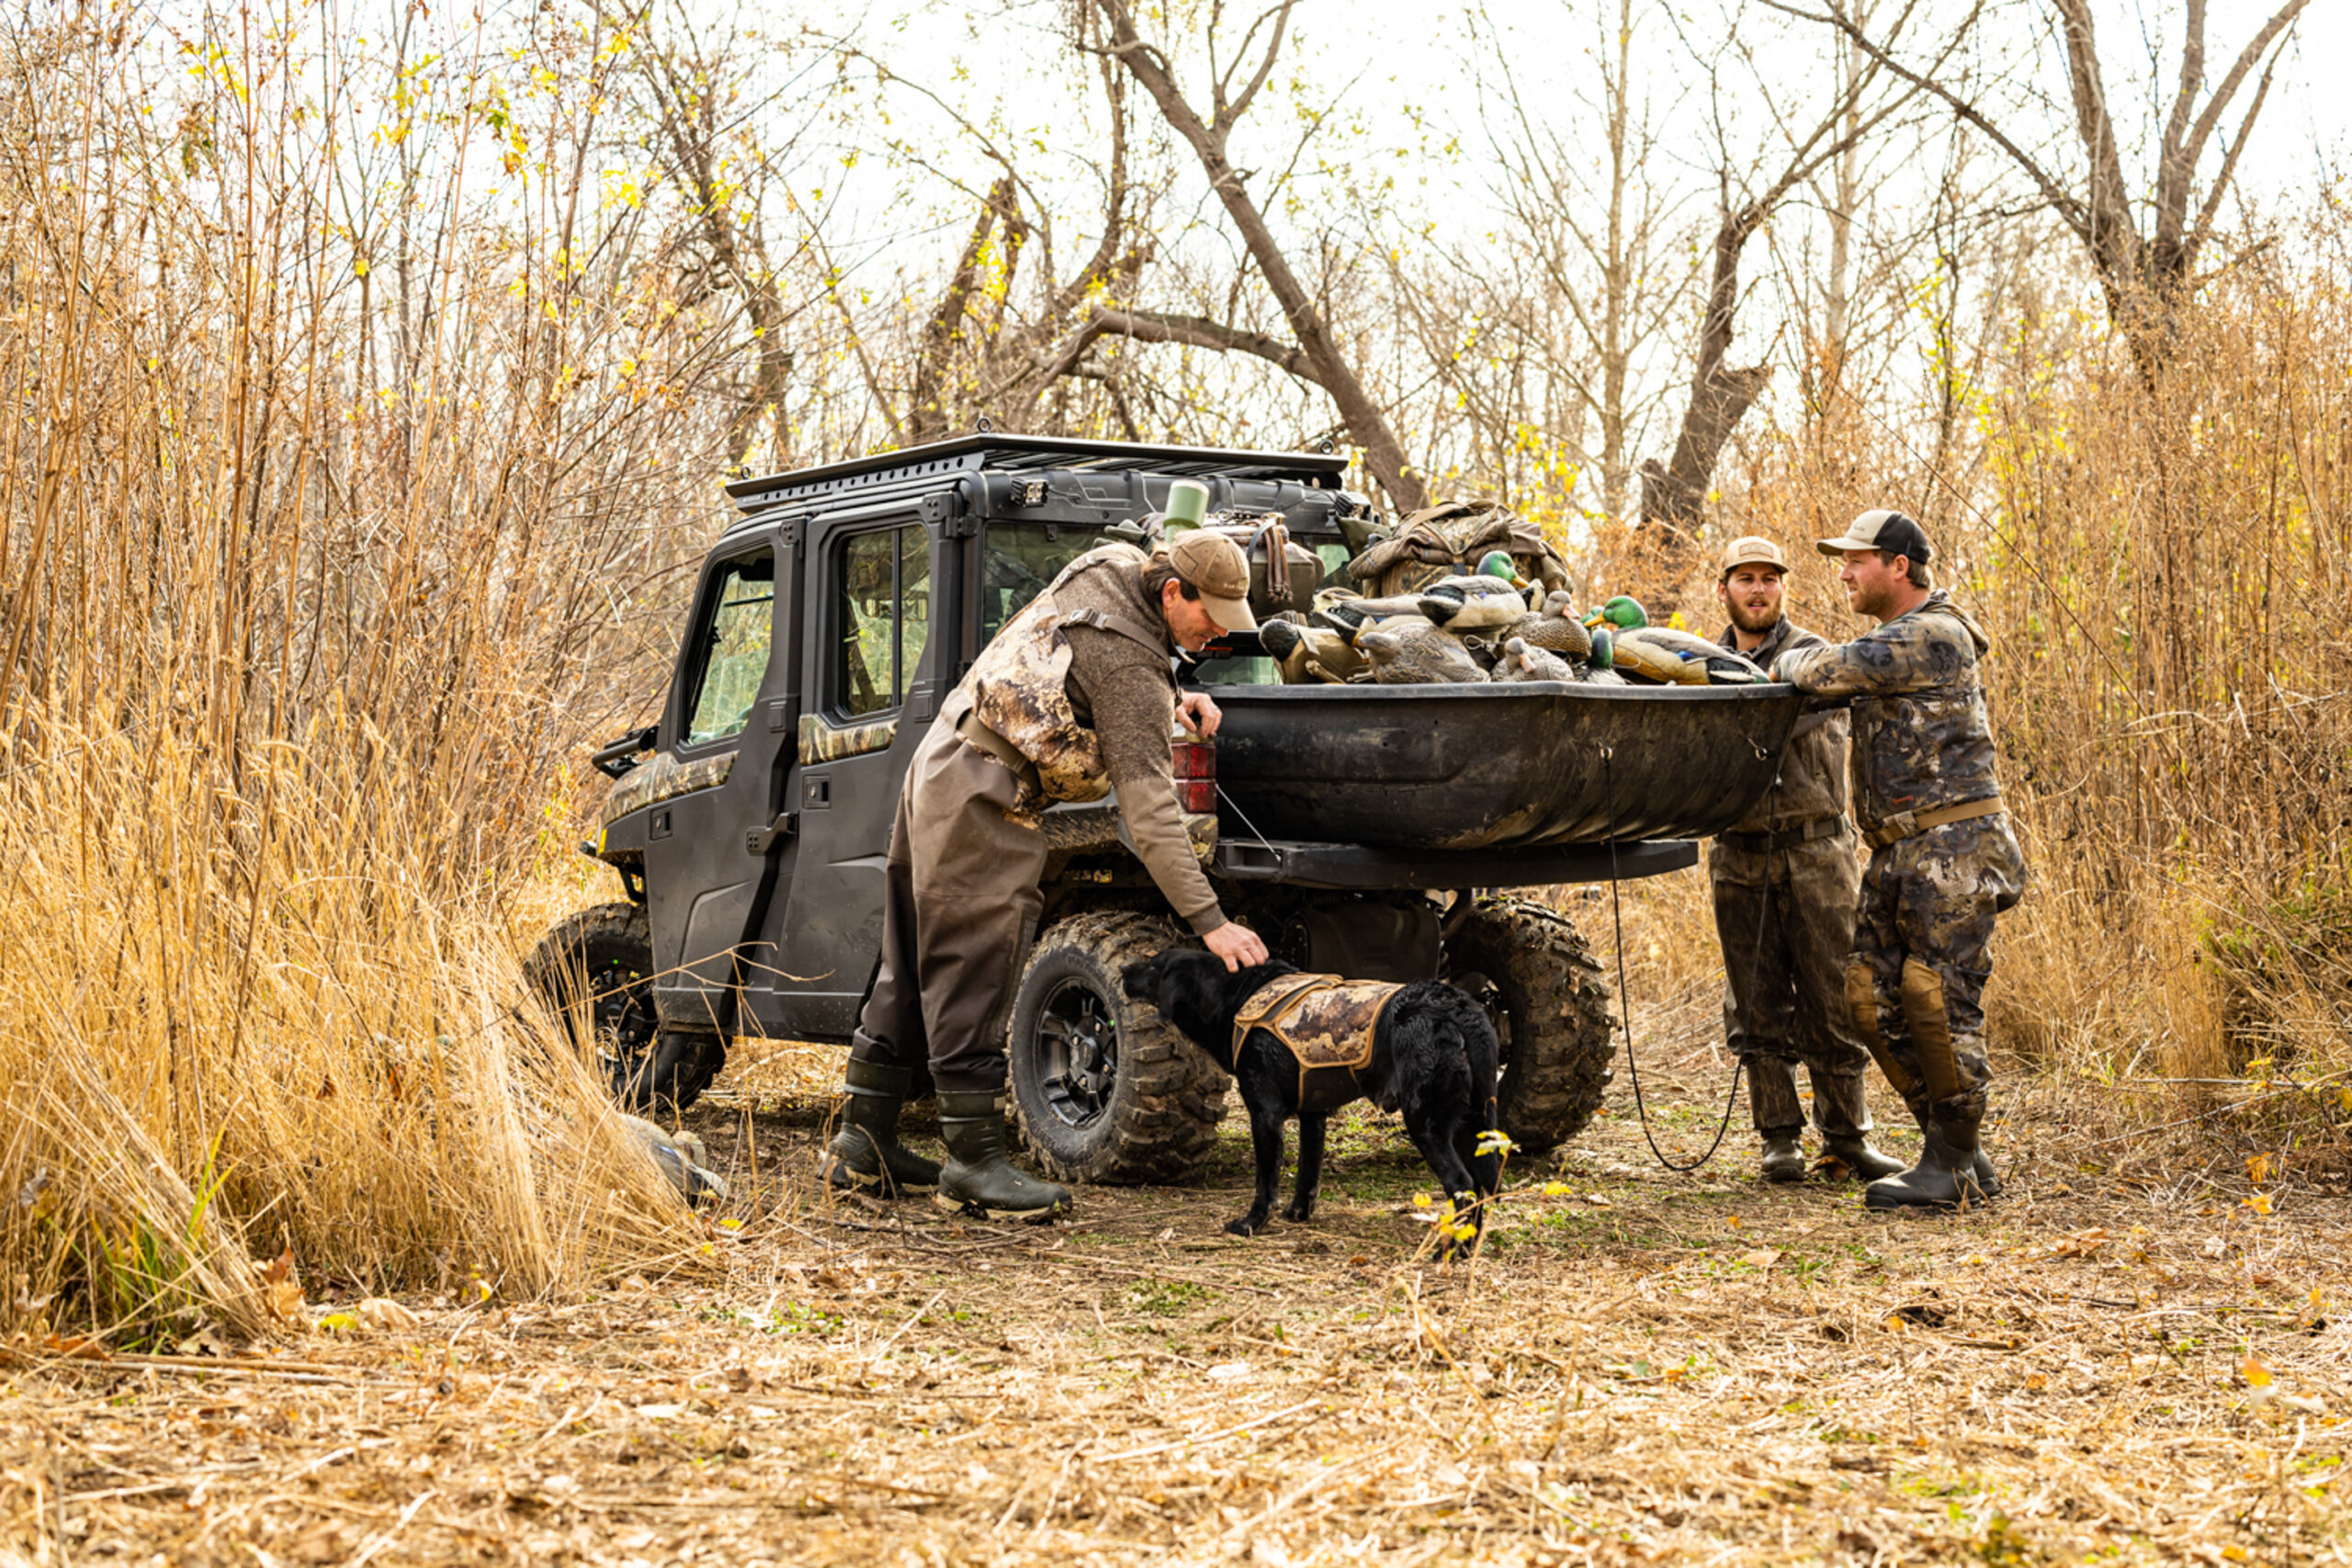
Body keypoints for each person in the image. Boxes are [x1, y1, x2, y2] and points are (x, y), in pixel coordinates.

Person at [822, 529, 1271, 1220]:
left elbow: (1094, 658)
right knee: (977, 958)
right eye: (1209, 616)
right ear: (1174, 590)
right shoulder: (1131, 676)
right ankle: (974, 1161)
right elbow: (1150, 818)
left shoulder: (1114, 564)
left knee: (909, 958)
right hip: (988, 792)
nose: (1218, 634)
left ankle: (863, 1142)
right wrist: (1210, 922)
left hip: (944, 754)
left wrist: (1175, 698)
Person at [1773, 511, 2026, 1210]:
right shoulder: (1899, 638)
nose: (1845, 573)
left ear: (1899, 567)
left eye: (1856, 561)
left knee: (1936, 1001)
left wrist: (1788, 659)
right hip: (1899, 849)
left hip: (1954, 849)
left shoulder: (1931, 634)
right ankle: (1954, 1148)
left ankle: (1950, 1165)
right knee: (1867, 997)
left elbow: (1820, 669)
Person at [1708, 536, 1902, 1185]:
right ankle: (1778, 1138)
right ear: (1725, 589)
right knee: (1755, 999)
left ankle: (1847, 1136)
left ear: (1783, 588)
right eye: (1745, 579)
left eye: (1769, 579)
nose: (1758, 590)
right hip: (1739, 854)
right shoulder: (1697, 666)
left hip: (1819, 849)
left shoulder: (1817, 656)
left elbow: (1798, 711)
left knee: (1834, 993)